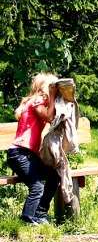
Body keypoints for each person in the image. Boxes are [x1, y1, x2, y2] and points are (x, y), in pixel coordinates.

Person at [6, 73, 61, 225]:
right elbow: (49, 118)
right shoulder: (37, 100)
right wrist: (53, 98)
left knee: (54, 176)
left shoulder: (37, 101)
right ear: (45, 88)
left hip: (28, 154)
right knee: (37, 188)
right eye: (53, 88)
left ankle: (40, 214)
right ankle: (27, 218)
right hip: (19, 153)